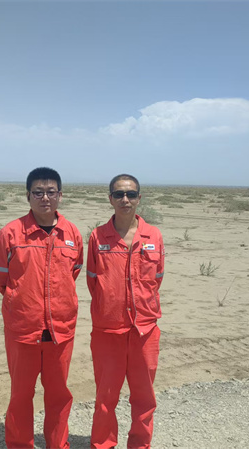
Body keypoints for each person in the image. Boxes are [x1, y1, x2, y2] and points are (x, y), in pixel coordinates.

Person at [0, 167, 84, 449]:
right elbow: (1, 277)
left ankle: (58, 444)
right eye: (38, 192)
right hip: (23, 329)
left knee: (58, 394)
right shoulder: (10, 234)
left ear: (60, 195)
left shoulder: (72, 233)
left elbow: (74, 271)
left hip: (60, 330)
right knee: (21, 394)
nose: (45, 198)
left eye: (51, 192)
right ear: (28, 196)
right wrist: (21, 300)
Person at [86, 174, 165, 449]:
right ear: (110, 199)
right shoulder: (98, 237)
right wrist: (111, 305)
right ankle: (103, 444)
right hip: (108, 331)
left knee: (144, 398)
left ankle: (139, 445)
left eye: (130, 194)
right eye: (119, 194)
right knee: (105, 398)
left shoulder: (154, 235)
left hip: (145, 330)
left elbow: (158, 277)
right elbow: (93, 281)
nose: (125, 199)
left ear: (139, 198)